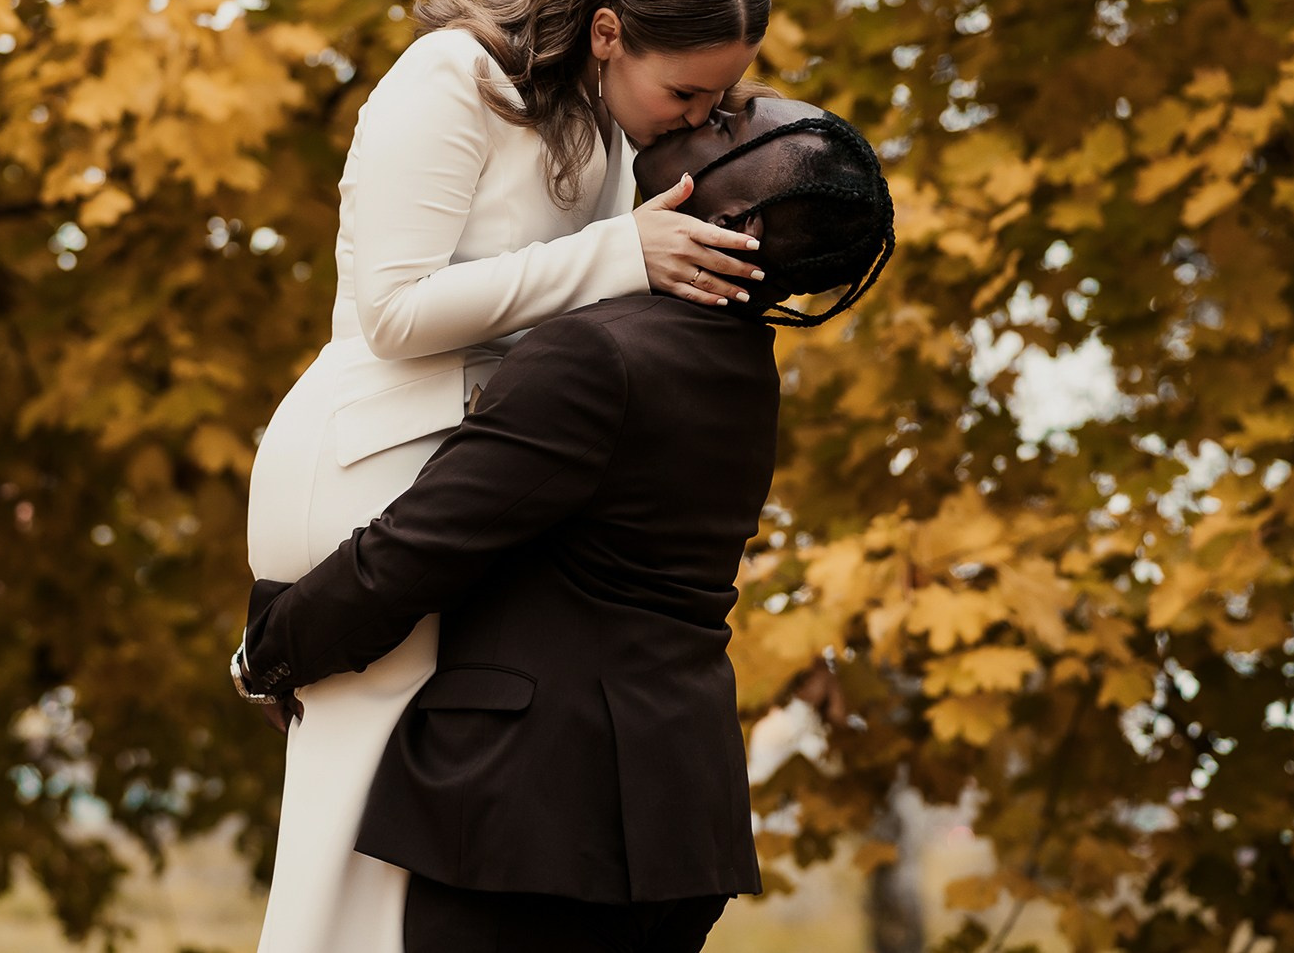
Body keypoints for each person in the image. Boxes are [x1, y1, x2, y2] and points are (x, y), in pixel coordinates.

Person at [236, 96, 895, 953]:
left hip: (537, 828)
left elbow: (415, 551)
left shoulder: (599, 355)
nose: (709, 114)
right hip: (675, 823)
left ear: (736, 219)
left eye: (730, 128)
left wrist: (271, 653)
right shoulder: (738, 362)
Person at [244, 0, 776, 953]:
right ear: (610, 32)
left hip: (469, 458)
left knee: (403, 838)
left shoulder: (606, 124)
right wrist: (620, 253)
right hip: (370, 453)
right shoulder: (452, 79)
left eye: (718, 99)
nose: (696, 119)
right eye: (686, 94)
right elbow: (393, 312)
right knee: (354, 832)